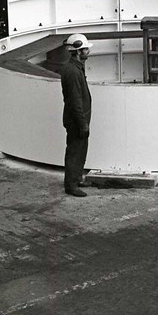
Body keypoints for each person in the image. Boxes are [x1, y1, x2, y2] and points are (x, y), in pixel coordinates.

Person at [60, 33, 93, 197]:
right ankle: (71, 185)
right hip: (76, 120)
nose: (88, 51)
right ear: (79, 51)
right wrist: (83, 123)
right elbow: (75, 100)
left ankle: (77, 178)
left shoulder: (76, 68)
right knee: (74, 150)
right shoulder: (72, 71)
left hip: (79, 118)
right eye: (86, 49)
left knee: (80, 149)